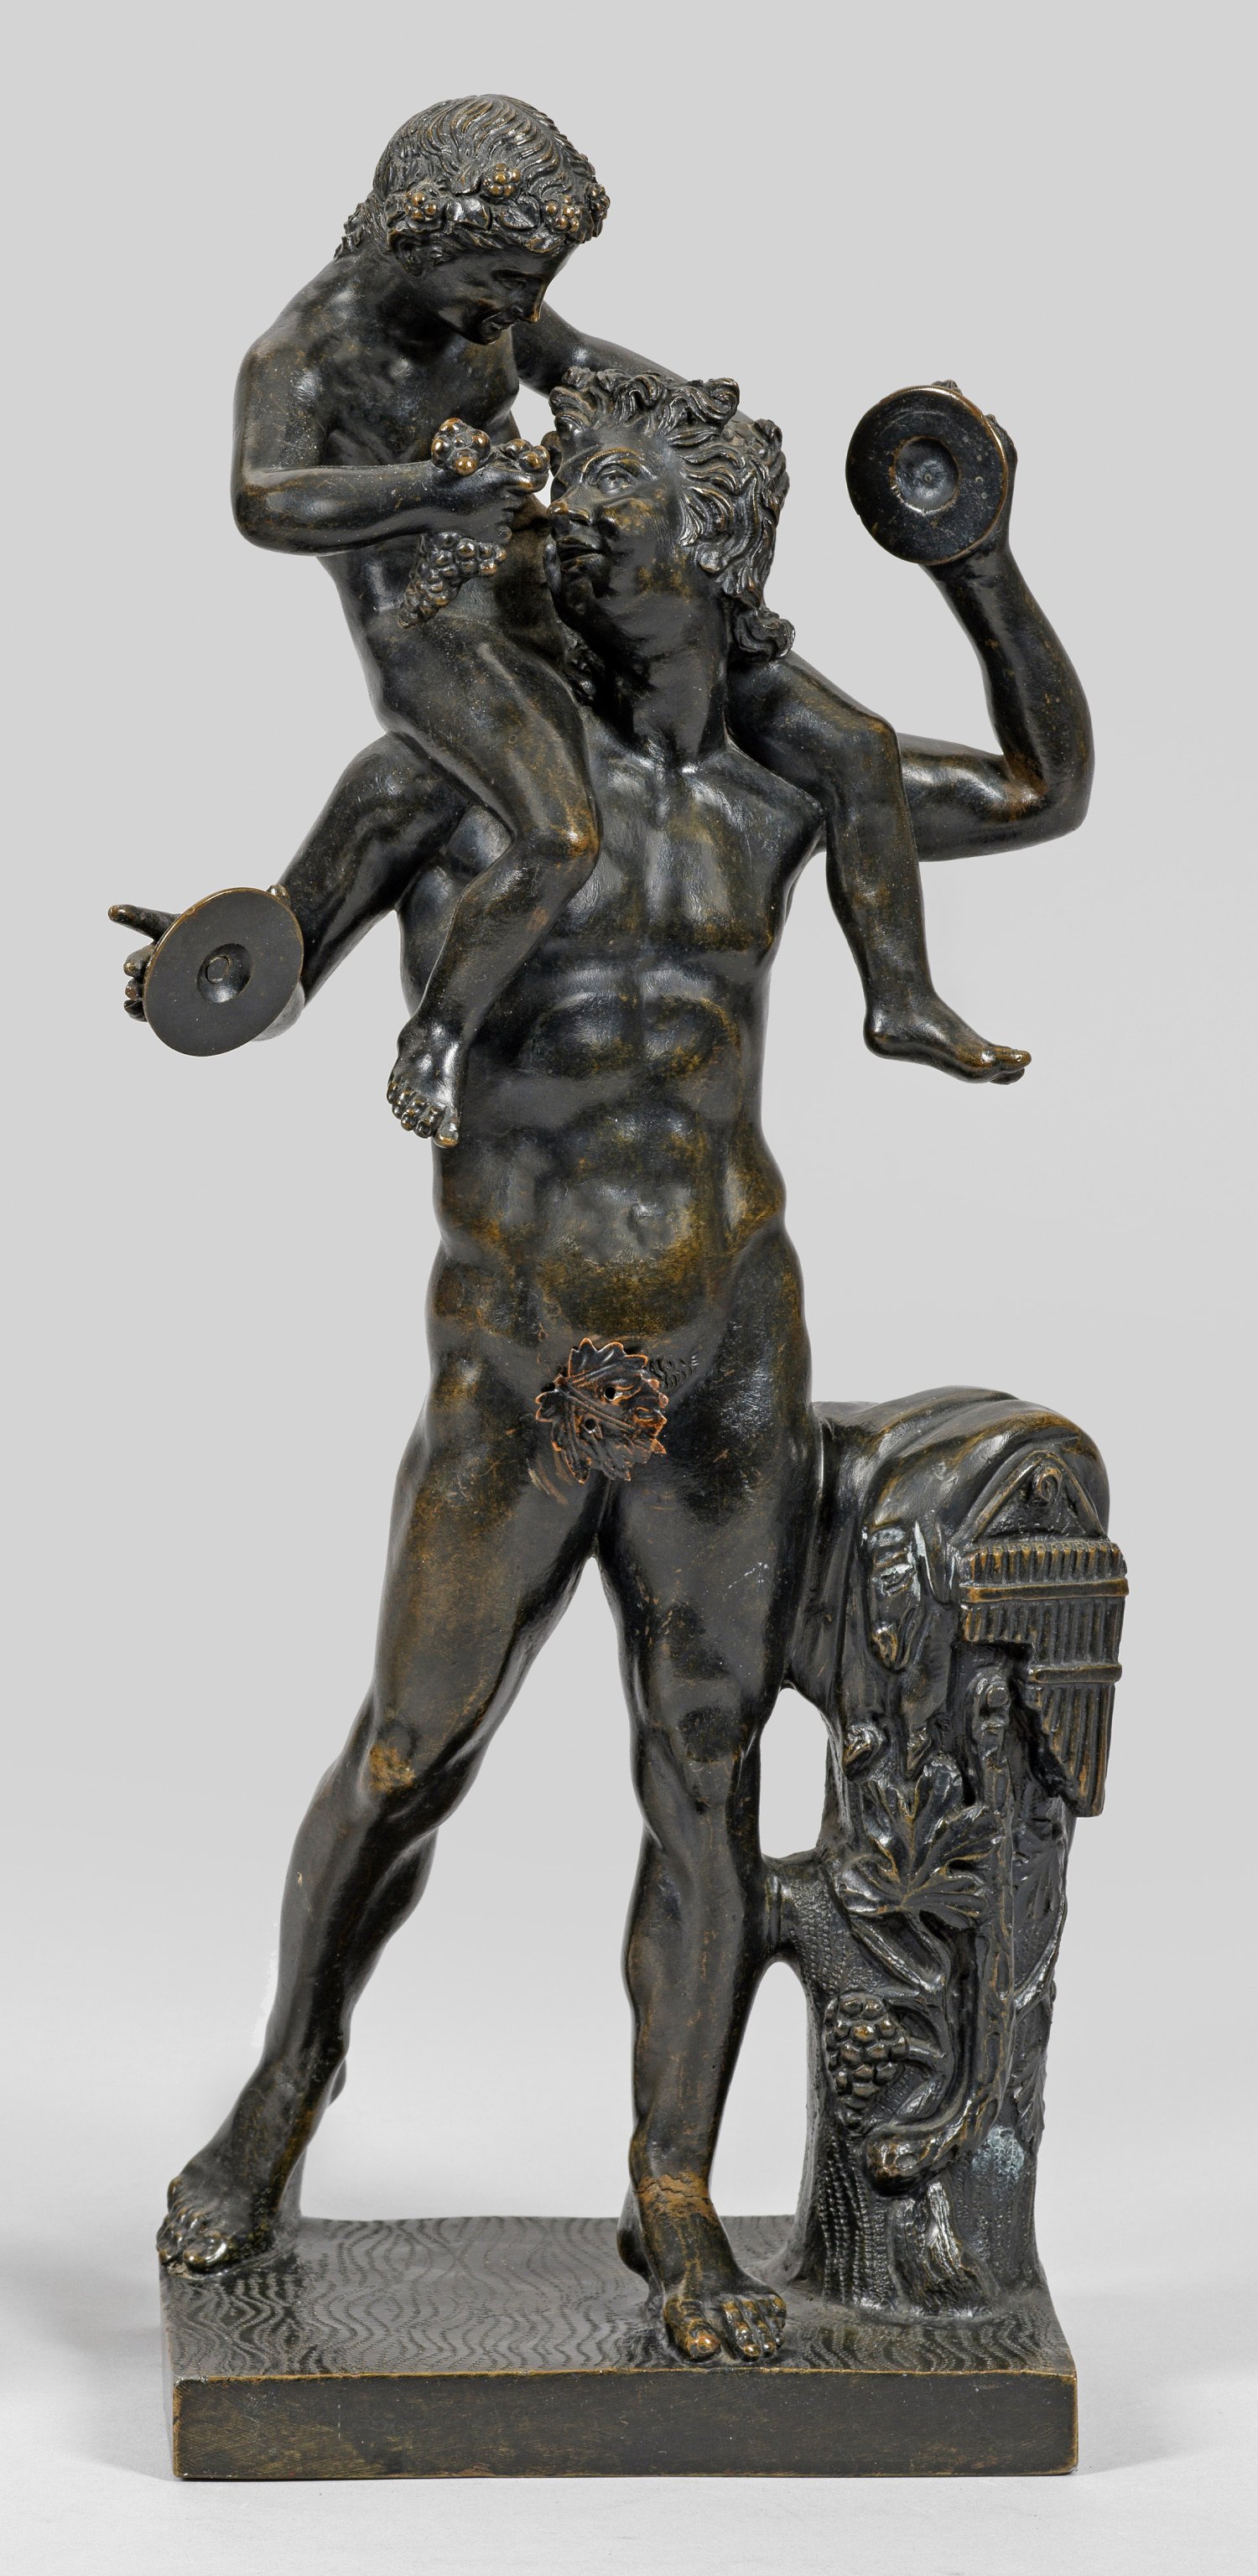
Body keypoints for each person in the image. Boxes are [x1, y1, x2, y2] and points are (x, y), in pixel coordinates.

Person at [127, 360, 1091, 2366]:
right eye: (569, 487)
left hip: (722, 1353)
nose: (567, 513)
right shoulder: (453, 773)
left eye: (611, 492)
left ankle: (672, 2193)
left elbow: (1039, 788)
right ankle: (281, 2094)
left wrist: (979, 564)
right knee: (410, 1753)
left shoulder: (788, 784)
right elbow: (278, 951)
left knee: (702, 1773)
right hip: (518, 1363)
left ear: (707, 542)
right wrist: (202, 975)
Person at [221, 91, 1035, 1149]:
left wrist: (706, 429)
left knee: (854, 743)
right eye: (506, 284)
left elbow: (580, 364)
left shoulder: (498, 304)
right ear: (425, 238)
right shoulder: (306, 356)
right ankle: (438, 1034)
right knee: (560, 833)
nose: (523, 310)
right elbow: (264, 501)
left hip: (552, 593)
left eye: (539, 285)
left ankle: (902, 999)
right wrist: (429, 494)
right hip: (440, 638)